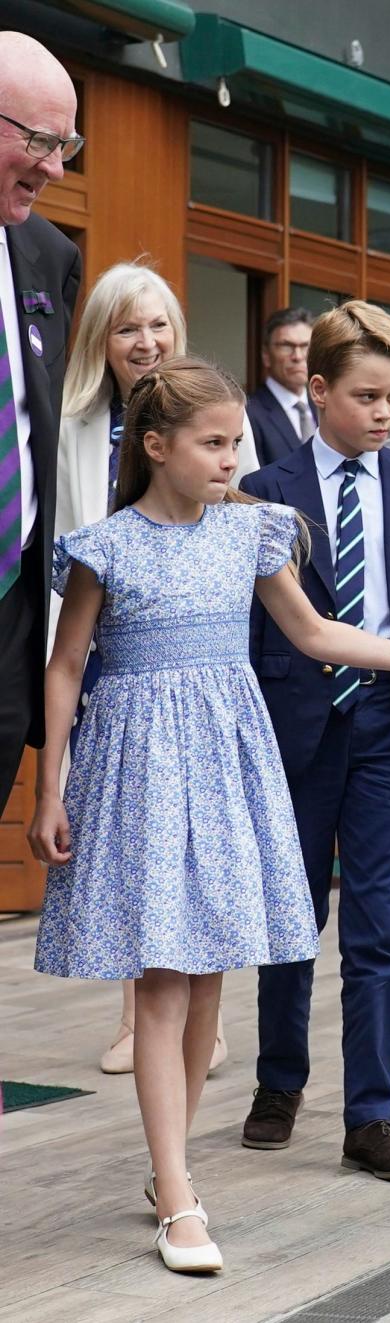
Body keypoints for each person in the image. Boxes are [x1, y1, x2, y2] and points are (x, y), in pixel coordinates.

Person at [28, 357, 390, 1273]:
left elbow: (313, 635)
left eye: (238, 440)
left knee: (209, 978)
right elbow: (66, 667)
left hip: (228, 763)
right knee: (163, 979)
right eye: (214, 442)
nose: (234, 457)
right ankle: (178, 1195)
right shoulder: (105, 546)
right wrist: (49, 789)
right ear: (157, 446)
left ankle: (171, 1164)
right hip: (138, 769)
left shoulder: (257, 533)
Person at [239, 302, 390, 1179]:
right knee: (292, 919)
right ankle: (279, 1081)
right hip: (294, 727)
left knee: (376, 932)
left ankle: (372, 1115)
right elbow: (259, 629)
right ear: (317, 388)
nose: (383, 413)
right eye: (367, 395)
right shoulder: (265, 492)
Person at [55, 260, 259, 1075]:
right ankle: (137, 1014)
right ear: (101, 341)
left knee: (189, 829)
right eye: (127, 326)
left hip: (190, 649)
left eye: (159, 324)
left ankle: (190, 1013)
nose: (146, 340)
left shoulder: (206, 420)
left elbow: (238, 509)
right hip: (99, 635)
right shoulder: (69, 420)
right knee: (125, 830)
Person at [0, 32, 82, 814]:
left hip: (9, 612)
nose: (56, 167)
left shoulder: (49, 255)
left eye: (65, 144)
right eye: (40, 141)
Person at [246, 307, 318, 466]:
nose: (298, 356)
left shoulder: (325, 408)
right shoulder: (249, 412)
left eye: (306, 346)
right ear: (266, 355)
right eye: (286, 346)